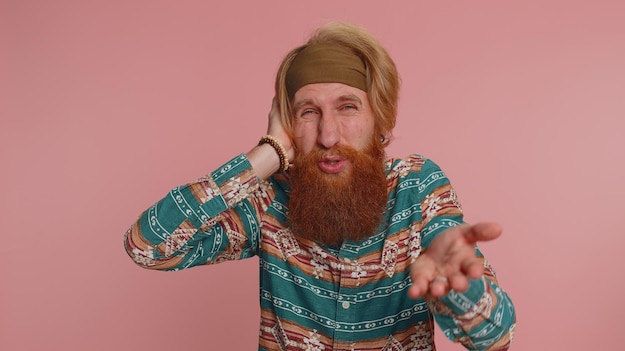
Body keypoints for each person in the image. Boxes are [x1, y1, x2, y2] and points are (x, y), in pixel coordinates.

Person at [124, 21, 516, 351]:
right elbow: (147, 247)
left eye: (348, 107)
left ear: (379, 117)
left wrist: (455, 290)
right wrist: (267, 154)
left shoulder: (416, 185)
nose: (329, 135)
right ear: (288, 124)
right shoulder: (268, 198)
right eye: (308, 112)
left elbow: (496, 337)